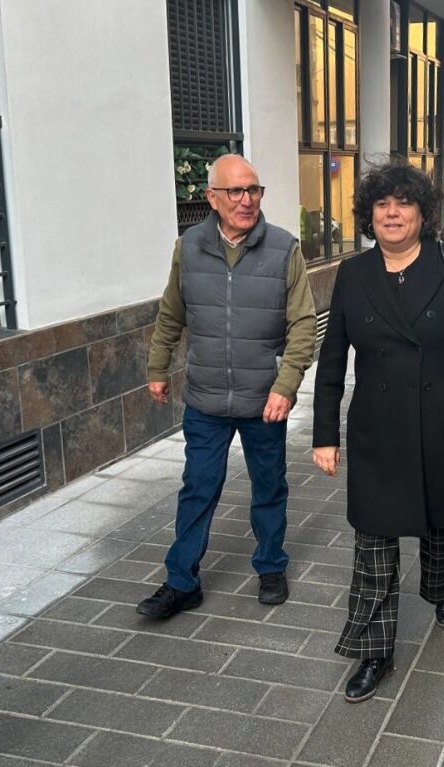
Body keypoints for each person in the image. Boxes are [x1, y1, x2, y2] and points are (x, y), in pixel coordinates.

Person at [312, 161, 444, 703]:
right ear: (369, 216)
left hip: (440, 418)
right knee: (373, 539)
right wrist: (324, 434)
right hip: (376, 429)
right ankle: (374, 650)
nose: (393, 213)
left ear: (423, 213)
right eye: (382, 204)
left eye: (404, 203)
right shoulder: (353, 274)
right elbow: (333, 361)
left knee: (442, 519)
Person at [138, 154, 317, 619]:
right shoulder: (189, 248)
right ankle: (182, 582)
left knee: (269, 487)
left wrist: (286, 385)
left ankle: (271, 566)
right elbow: (171, 313)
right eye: (235, 191)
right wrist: (158, 368)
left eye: (253, 190)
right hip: (206, 398)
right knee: (198, 488)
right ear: (212, 198)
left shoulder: (284, 248)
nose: (246, 200)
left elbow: (303, 324)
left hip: (264, 400)